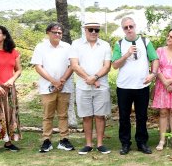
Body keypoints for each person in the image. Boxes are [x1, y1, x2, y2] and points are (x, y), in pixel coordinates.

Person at [112, 17, 159, 155]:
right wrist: (126, 54)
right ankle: (125, 144)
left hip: (142, 86)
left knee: (142, 116)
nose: (129, 29)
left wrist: (153, 74)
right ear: (123, 29)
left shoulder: (145, 41)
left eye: (131, 26)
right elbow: (114, 65)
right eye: (125, 27)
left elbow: (154, 59)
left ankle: (142, 143)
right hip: (124, 87)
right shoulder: (119, 44)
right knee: (124, 117)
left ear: (135, 26)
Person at [31, 22, 75, 153]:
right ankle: (46, 141)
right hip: (47, 87)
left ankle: (64, 139)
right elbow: (38, 67)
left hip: (64, 87)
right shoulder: (40, 47)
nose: (57, 34)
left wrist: (61, 81)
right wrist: (53, 82)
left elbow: (71, 66)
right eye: (54, 32)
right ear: (48, 33)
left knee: (63, 115)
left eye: (60, 33)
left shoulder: (67, 47)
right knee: (47, 116)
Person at [70, 22, 112, 154]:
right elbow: (74, 65)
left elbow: (107, 66)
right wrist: (90, 79)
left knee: (100, 115)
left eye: (96, 30)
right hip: (83, 87)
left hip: (101, 86)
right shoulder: (76, 44)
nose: (94, 32)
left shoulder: (105, 45)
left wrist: (94, 77)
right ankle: (88, 144)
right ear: (85, 30)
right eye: (91, 29)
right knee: (86, 116)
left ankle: (100, 144)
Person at [0, 25, 22, 151]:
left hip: (9, 89)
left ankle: (8, 143)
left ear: (4, 35)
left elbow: (19, 70)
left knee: (9, 115)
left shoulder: (13, 52)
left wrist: (12, 80)